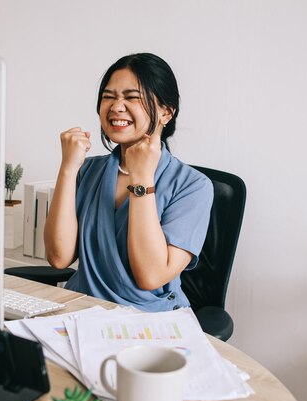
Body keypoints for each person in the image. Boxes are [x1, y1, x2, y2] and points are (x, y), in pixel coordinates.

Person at [43, 53, 213, 312]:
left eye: (132, 97)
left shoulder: (194, 186)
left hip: (150, 321)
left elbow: (151, 276)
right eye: (108, 97)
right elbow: (59, 257)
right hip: (82, 311)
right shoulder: (88, 170)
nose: (116, 107)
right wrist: (68, 167)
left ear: (166, 112)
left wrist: (142, 176)